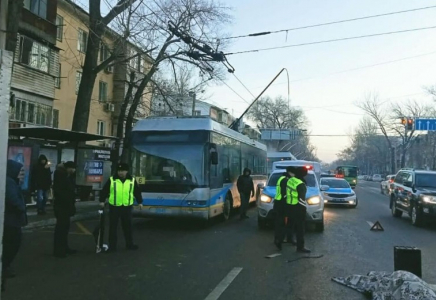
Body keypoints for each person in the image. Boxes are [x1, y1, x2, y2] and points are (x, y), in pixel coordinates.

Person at [99, 163, 143, 252]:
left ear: (127, 171)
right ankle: (112, 246)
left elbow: (136, 191)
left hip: (127, 206)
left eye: (122, 171)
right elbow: (105, 190)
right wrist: (102, 201)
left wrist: (140, 202)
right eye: (119, 171)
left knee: (128, 227)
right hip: (115, 206)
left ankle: (129, 244)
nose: (120, 173)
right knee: (113, 227)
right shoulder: (112, 180)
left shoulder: (132, 180)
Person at [3, 160, 27, 278]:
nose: (21, 174)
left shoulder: (11, 182)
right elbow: (12, 199)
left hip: (11, 219)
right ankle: (5, 266)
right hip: (11, 220)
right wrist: (21, 207)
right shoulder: (9, 182)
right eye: (20, 172)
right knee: (12, 244)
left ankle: (5, 266)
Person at [53, 161, 77, 258]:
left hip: (65, 206)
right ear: (68, 168)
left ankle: (64, 248)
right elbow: (62, 192)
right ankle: (59, 250)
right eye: (73, 168)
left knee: (64, 228)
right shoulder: (61, 176)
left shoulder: (66, 176)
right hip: (62, 206)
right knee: (61, 229)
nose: (74, 170)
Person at [287, 167, 311, 253]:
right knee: (300, 228)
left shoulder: (291, 180)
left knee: (291, 224)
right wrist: (303, 208)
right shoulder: (301, 183)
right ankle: (300, 247)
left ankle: (289, 238)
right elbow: (301, 199)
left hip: (290, 205)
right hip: (298, 208)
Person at [273, 167, 296, 250]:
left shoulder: (281, 178)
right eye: (293, 173)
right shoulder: (286, 180)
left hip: (279, 203)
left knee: (280, 223)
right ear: (290, 173)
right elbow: (285, 193)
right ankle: (279, 240)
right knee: (283, 223)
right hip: (283, 205)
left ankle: (279, 239)